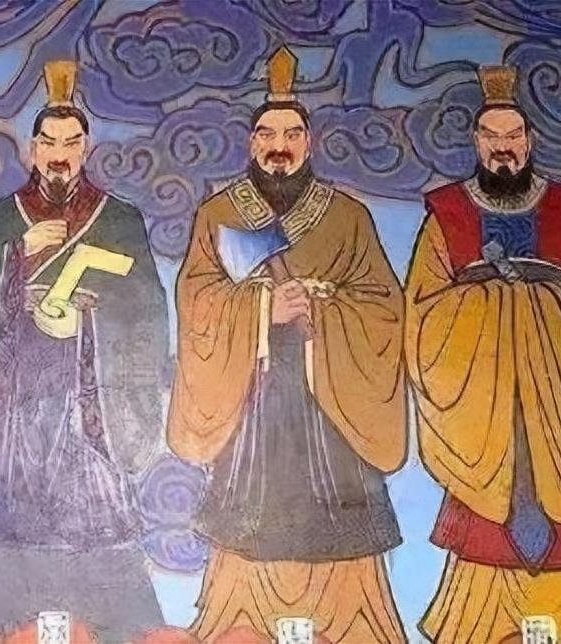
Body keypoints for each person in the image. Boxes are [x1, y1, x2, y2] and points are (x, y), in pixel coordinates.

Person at [167, 46, 407, 643]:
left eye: (293, 134)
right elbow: (196, 299)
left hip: (332, 398)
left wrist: (322, 308)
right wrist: (261, 309)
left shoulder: (347, 216)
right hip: (254, 397)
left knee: (344, 524)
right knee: (247, 521)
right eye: (268, 134)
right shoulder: (220, 214)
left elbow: (384, 304)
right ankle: (238, 624)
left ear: (309, 142)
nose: (280, 146)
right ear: (252, 143)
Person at [0, 60, 169, 643]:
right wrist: (14, 259)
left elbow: (146, 311)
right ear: (33, 149)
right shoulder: (0, 220)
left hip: (85, 400)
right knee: (4, 516)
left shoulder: (119, 219)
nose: (59, 155)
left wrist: (88, 321)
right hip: (15, 398)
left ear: (85, 149)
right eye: (48, 142)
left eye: (71, 143)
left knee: (93, 509)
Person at [408, 66, 561, 642]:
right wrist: (496, 309)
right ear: (476, 143)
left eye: (513, 137)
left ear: (529, 142)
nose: (503, 149)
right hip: (483, 413)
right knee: (485, 539)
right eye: (491, 137)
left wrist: (536, 310)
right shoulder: (448, 215)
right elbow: (423, 312)